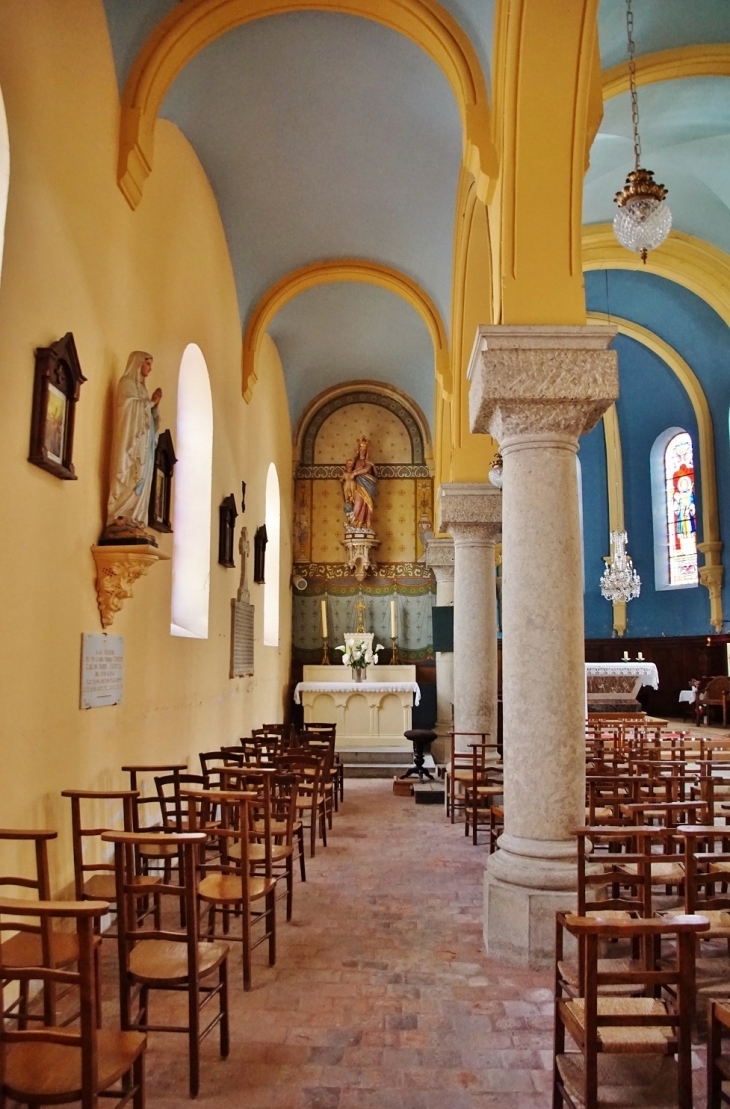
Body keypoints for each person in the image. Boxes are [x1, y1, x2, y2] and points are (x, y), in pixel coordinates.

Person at [102, 351, 161, 542]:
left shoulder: (142, 390)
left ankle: (133, 518)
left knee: (142, 479)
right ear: (137, 364)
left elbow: (149, 418)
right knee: (129, 475)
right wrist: (150, 402)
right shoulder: (125, 384)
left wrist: (154, 406)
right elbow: (127, 409)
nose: (150, 369)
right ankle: (119, 516)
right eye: (148, 364)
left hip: (145, 446)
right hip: (131, 444)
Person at [350, 437, 377, 530]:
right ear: (358, 450)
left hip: (368, 486)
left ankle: (366, 524)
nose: (362, 452)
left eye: (364, 450)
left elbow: (366, 469)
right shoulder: (355, 461)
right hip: (358, 485)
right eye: (361, 450)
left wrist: (355, 473)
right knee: (358, 503)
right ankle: (356, 522)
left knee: (367, 504)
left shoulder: (368, 462)